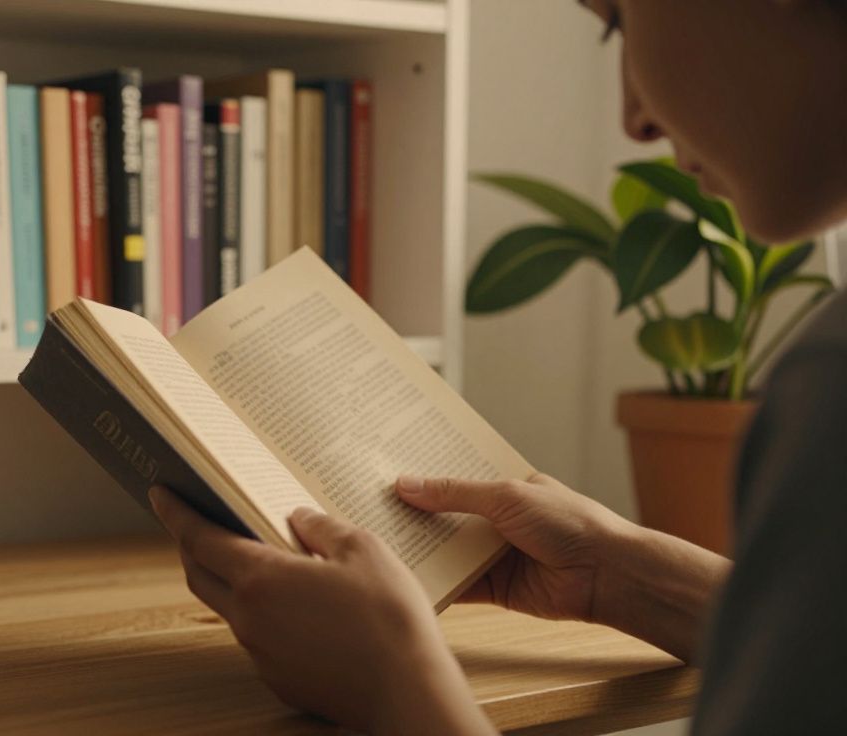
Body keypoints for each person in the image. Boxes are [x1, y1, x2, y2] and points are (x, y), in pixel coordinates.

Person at [147, 1, 847, 733]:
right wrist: (620, 579)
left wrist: (395, 682)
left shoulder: (832, 379)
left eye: (618, 22)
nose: (634, 117)